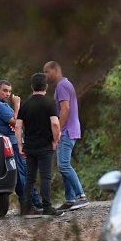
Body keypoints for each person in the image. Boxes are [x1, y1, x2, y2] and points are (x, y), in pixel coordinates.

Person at [0, 80, 42, 210]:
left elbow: (15, 123)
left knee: (25, 173)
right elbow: (17, 123)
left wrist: (15, 123)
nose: (8, 94)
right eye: (5, 91)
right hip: (13, 145)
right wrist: (17, 105)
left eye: (9, 91)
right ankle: (28, 205)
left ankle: (34, 203)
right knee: (23, 175)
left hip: (11, 143)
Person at [44, 61, 88, 212]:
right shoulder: (65, 84)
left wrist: (59, 130)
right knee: (64, 165)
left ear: (56, 70)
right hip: (71, 130)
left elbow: (65, 109)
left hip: (67, 131)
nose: (46, 75)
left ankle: (81, 197)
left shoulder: (62, 86)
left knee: (63, 165)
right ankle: (70, 199)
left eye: (47, 72)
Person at [15, 73, 60, 217]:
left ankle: (27, 208)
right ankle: (47, 208)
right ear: (46, 86)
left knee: (30, 178)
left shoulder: (26, 105)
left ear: (32, 87)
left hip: (30, 146)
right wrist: (55, 140)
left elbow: (17, 126)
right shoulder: (50, 103)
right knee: (45, 177)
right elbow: (54, 123)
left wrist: (20, 146)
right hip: (45, 146)